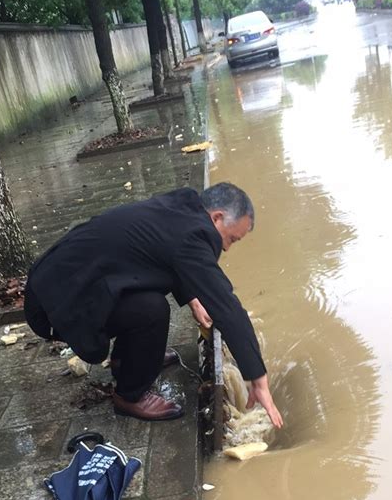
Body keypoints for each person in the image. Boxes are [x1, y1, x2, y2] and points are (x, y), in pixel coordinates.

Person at [25, 182, 283, 427]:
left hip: (55, 281)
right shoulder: (194, 236)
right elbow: (227, 307)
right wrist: (258, 379)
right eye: (231, 239)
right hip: (56, 306)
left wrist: (192, 298)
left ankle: (128, 360)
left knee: (148, 299)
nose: (226, 248)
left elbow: (164, 254)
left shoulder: (183, 204)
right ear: (216, 217)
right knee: (152, 310)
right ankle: (129, 396)